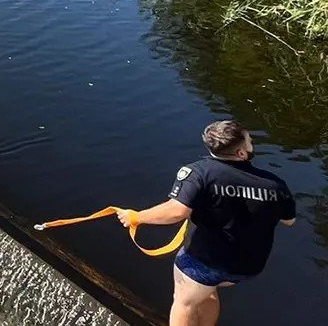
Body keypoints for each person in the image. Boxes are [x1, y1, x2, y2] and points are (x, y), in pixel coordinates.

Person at [116, 120, 295, 326]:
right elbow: (289, 221)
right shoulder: (275, 185)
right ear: (241, 154)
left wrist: (136, 217)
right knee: (208, 292)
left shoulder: (199, 173)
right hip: (248, 266)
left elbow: (176, 211)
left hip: (205, 261)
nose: (251, 144)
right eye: (249, 141)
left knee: (184, 303)